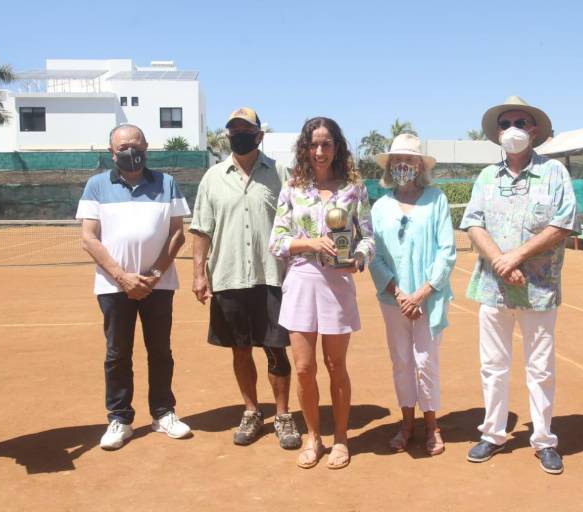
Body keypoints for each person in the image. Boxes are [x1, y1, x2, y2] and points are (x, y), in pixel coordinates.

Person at [460, 96, 581, 474]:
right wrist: (501, 260)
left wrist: (516, 258)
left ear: (535, 130)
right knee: (493, 365)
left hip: (538, 289)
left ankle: (544, 439)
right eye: (505, 122)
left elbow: (562, 224)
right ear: (497, 133)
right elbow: (473, 223)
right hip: (492, 288)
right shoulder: (486, 177)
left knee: (540, 367)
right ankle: (493, 434)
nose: (512, 128)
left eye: (520, 121)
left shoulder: (554, 173)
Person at [189, 107, 301, 450]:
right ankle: (252, 411)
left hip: (273, 277)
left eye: (245, 130)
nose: (238, 135)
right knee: (239, 350)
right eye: (233, 130)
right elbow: (201, 229)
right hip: (228, 276)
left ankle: (283, 416)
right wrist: (198, 274)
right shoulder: (212, 177)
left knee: (276, 350)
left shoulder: (280, 172)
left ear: (259, 135)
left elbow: (299, 221)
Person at [76, 124, 192, 450]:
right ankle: (120, 418)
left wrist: (154, 274)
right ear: (112, 152)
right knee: (117, 354)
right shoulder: (96, 185)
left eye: (135, 144)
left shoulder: (167, 183)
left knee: (160, 351)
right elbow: (89, 238)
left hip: (160, 284)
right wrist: (122, 276)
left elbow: (177, 234)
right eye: (122, 146)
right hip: (114, 288)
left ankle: (163, 413)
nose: (130, 150)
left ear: (146, 147)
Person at [269, 116, 374, 469]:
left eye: (326, 144)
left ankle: (341, 439)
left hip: (337, 286)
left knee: (335, 365)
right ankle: (313, 437)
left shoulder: (354, 188)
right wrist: (310, 242)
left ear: (337, 147)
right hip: (300, 282)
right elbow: (276, 241)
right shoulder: (292, 188)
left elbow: (369, 237)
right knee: (302, 368)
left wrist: (358, 258)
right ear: (305, 148)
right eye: (313, 144)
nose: (319, 151)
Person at [368, 134, 456, 456]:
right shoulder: (379, 207)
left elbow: (447, 251)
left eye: (409, 160)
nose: (403, 166)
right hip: (393, 300)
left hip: (428, 299)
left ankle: (432, 424)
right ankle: (407, 422)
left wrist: (421, 293)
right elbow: (373, 255)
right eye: (397, 161)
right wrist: (398, 292)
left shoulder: (437, 200)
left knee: (426, 361)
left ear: (420, 165)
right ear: (390, 166)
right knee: (401, 360)